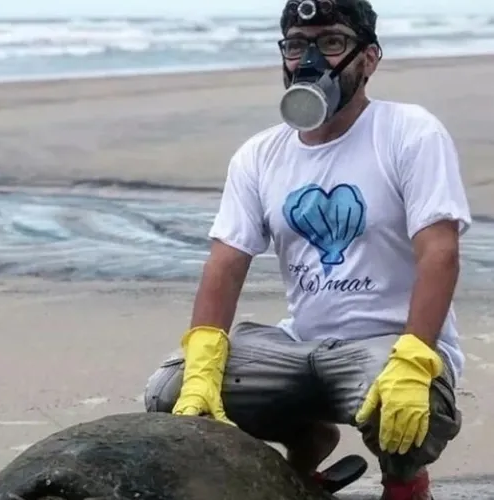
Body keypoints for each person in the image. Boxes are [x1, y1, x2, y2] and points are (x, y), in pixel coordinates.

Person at [142, 1, 472, 499]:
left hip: (387, 345)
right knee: (169, 394)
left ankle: (406, 484)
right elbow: (226, 261)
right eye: (297, 45)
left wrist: (416, 355)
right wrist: (204, 360)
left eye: (332, 43)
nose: (311, 60)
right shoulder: (260, 155)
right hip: (298, 345)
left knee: (411, 404)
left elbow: (439, 252)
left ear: (370, 58)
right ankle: (306, 448)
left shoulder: (409, 132)